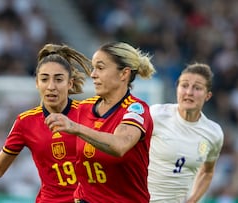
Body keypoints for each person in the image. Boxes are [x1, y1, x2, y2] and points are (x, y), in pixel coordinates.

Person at [0, 43, 92, 203]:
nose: (51, 86)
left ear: (69, 83)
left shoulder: (88, 114)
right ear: (37, 83)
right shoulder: (26, 122)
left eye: (58, 79)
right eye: (44, 79)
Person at [45, 42, 156, 203]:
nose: (93, 74)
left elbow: (119, 145)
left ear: (123, 74)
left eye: (100, 68)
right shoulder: (84, 108)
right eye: (93, 68)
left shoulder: (136, 109)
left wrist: (76, 128)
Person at [147, 63, 224, 203]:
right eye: (184, 85)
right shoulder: (156, 115)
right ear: (177, 89)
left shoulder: (213, 133)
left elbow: (207, 172)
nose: (189, 92)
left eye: (197, 88)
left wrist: (192, 200)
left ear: (208, 95)